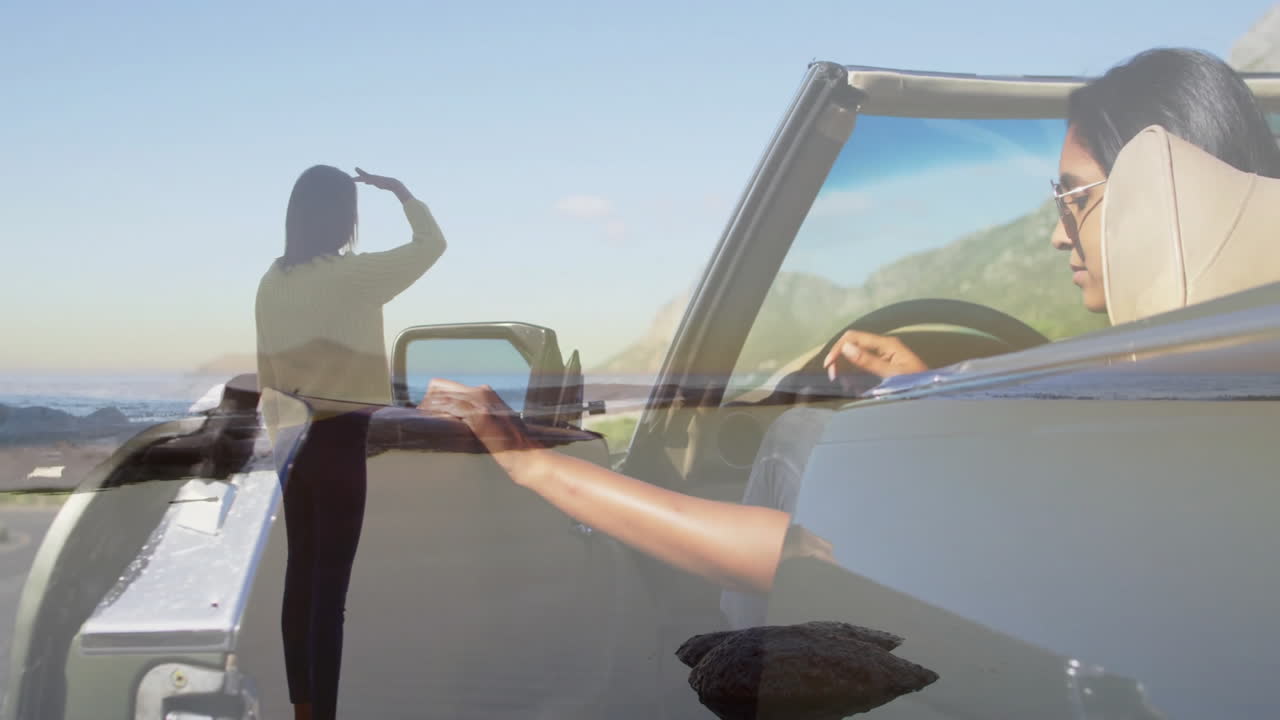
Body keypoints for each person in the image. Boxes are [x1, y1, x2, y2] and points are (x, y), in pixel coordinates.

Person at [419, 47, 1280, 628]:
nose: (1060, 235)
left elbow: (801, 558)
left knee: (799, 437)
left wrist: (536, 463)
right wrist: (927, 389)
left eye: (1075, 199)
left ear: (1158, 197)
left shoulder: (1139, 424)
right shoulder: (1218, 377)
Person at [256, 165, 446, 720]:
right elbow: (431, 244)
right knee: (329, 595)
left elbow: (266, 371)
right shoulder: (353, 277)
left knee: (301, 580)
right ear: (344, 218)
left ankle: (304, 709)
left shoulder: (272, 280)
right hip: (339, 441)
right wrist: (403, 193)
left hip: (291, 441)